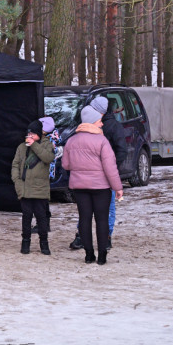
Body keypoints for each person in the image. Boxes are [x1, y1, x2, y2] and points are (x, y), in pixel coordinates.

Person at [61, 103, 124, 265]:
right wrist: (118, 188)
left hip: (79, 188)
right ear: (92, 122)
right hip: (101, 188)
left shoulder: (71, 141)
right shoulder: (102, 142)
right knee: (102, 220)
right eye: (99, 121)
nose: (102, 123)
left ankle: (89, 255)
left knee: (84, 219)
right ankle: (102, 256)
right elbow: (110, 168)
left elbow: (66, 165)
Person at [12, 119, 55, 256]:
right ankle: (25, 242)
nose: (29, 137)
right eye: (28, 134)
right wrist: (17, 182)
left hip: (40, 189)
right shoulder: (21, 147)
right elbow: (15, 165)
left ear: (39, 134)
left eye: (33, 134)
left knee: (41, 218)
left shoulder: (47, 145)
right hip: (25, 188)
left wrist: (34, 145)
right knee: (26, 217)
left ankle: (44, 243)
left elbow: (48, 158)